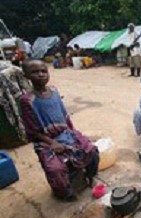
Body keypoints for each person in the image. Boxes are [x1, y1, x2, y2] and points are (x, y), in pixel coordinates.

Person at [19, 60, 99, 201]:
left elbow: (64, 116)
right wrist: (52, 143)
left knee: (91, 150)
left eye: (44, 71)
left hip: (65, 134)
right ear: (27, 76)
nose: (41, 75)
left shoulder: (54, 91)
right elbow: (32, 131)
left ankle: (90, 176)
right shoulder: (27, 100)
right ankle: (65, 194)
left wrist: (74, 133)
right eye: (35, 72)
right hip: (45, 141)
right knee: (55, 169)